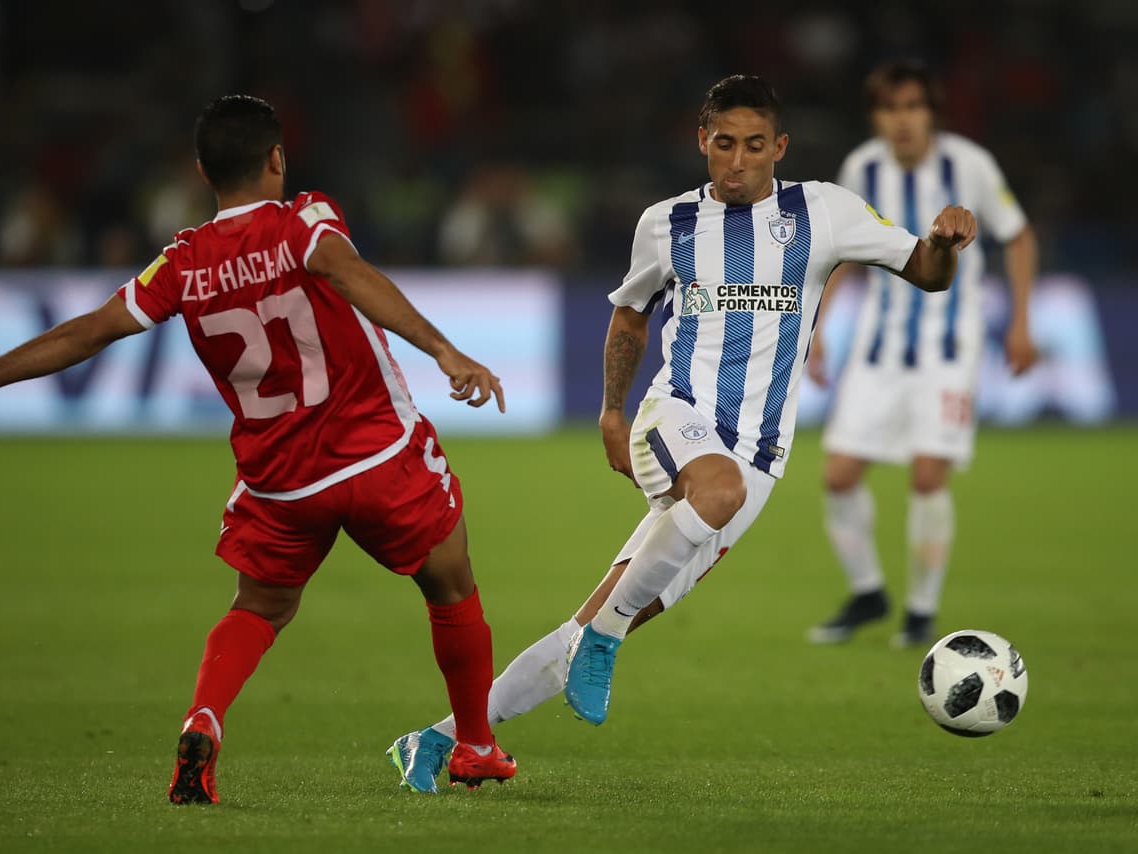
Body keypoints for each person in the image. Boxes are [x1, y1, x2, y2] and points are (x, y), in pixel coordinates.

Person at [0, 95, 517, 802]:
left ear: (202, 171)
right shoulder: (305, 220)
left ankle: (204, 717)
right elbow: (347, 272)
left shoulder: (183, 262)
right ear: (277, 158)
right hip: (378, 455)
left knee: (258, 608)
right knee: (450, 583)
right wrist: (444, 350)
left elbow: (89, 330)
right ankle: (475, 745)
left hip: (281, 481)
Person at [386, 73, 978, 788]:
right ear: (702, 141)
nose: (737, 161)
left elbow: (928, 271)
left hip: (760, 459)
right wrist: (612, 410)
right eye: (724, 144)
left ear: (779, 148)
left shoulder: (825, 212)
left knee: (588, 624)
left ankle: (440, 742)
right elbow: (631, 314)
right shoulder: (667, 223)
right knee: (706, 504)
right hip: (676, 416)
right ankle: (604, 640)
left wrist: (944, 240)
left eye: (754, 146)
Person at [805, 61, 1038, 648]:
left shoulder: (970, 165)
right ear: (875, 117)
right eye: (890, 108)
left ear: (932, 112)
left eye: (912, 106)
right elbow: (840, 255)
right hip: (877, 347)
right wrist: (817, 328)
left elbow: (1018, 235)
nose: (902, 119)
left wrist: (1021, 322)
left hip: (949, 349)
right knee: (838, 475)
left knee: (929, 474)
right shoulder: (861, 168)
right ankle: (868, 593)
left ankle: (920, 613)